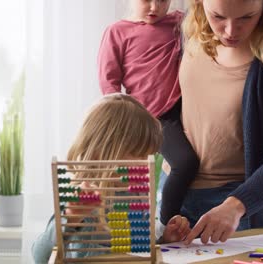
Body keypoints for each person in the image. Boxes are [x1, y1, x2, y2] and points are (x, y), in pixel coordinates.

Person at [177, 0, 263, 245]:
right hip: (175, 192)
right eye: (218, 16)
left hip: (241, 205)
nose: (230, 31)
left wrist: (235, 206)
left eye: (245, 18)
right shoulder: (191, 36)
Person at [32, 94, 191, 263]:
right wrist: (70, 217)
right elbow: (40, 256)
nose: (146, 164)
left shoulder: (136, 195)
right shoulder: (81, 197)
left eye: (148, 155)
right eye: (138, 154)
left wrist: (164, 241)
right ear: (102, 151)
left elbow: (140, 251)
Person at [98, 0, 200, 228]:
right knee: (131, 183)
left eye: (162, 0)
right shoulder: (117, 32)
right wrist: (122, 123)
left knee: (185, 163)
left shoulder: (178, 22)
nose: (154, 7)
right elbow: (109, 82)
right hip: (143, 118)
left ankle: (166, 222)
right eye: (146, 0)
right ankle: (152, 227)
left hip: (177, 111)